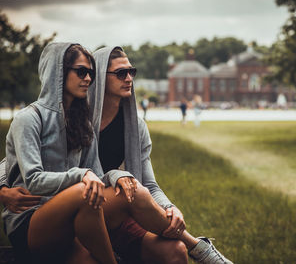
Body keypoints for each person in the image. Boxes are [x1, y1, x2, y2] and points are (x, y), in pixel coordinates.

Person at [89, 46, 233, 264]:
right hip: (86, 212)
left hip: (119, 214)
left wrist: (170, 208)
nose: (129, 78)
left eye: (131, 72)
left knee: (175, 251)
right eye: (120, 73)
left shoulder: (135, 126)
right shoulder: (80, 122)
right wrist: (114, 176)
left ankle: (193, 247)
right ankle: (199, 248)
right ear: (100, 77)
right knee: (134, 189)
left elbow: (149, 184)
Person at [1, 42, 120, 263]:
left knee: (128, 195)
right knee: (84, 191)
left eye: (91, 73)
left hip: (69, 217)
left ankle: (194, 245)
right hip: (29, 221)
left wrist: (118, 176)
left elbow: (97, 174)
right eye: (81, 71)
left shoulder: (81, 123)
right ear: (58, 72)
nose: (88, 79)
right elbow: (27, 174)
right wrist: (80, 174)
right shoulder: (28, 119)